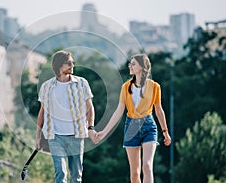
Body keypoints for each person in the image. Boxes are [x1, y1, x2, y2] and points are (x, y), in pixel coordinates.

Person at [96, 54, 171, 183]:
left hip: (149, 126)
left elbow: (159, 110)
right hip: (131, 127)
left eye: (133, 64)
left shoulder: (154, 87)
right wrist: (104, 132)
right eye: (130, 63)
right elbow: (119, 111)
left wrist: (165, 132)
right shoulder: (125, 87)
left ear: (142, 67)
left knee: (147, 166)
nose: (130, 66)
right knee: (135, 173)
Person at [35, 50, 98, 183]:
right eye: (68, 63)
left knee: (76, 176)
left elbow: (90, 108)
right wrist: (38, 137)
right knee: (61, 173)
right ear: (58, 65)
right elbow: (42, 113)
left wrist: (90, 127)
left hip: (76, 135)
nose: (72, 65)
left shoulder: (82, 83)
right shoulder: (46, 87)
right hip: (55, 136)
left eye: (72, 62)